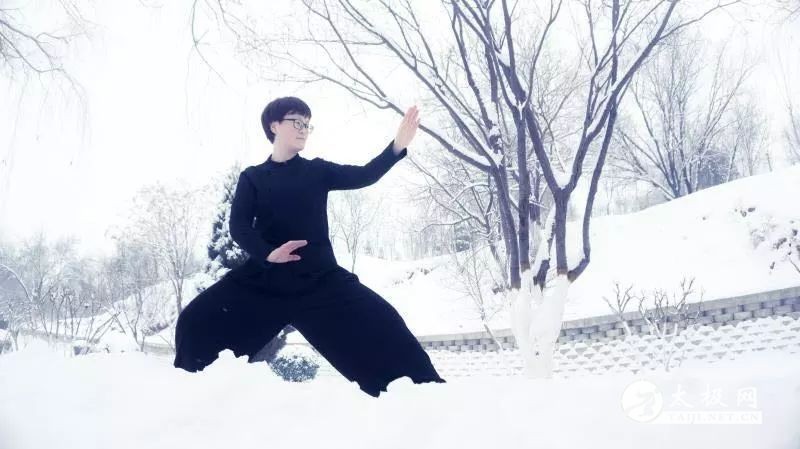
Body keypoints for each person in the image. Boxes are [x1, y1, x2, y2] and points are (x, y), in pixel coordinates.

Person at [173, 96, 446, 397]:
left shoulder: (317, 171)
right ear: (274, 126)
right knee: (195, 322)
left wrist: (397, 146)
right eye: (297, 122)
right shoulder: (253, 177)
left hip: (321, 283)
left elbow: (365, 174)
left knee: (386, 326)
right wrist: (269, 253)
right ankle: (195, 400)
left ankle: (425, 397)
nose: (303, 129)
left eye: (307, 124)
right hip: (264, 284)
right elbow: (238, 226)